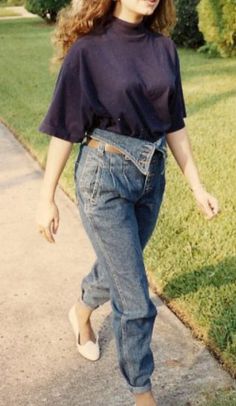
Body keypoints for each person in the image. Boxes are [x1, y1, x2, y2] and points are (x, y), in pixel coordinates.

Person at [36, 1, 220, 405]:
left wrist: (197, 188)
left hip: (151, 179)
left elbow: (175, 125)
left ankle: (81, 311)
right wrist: (47, 197)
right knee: (135, 299)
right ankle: (143, 396)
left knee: (121, 265)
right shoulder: (89, 50)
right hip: (105, 179)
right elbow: (65, 127)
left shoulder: (163, 49)